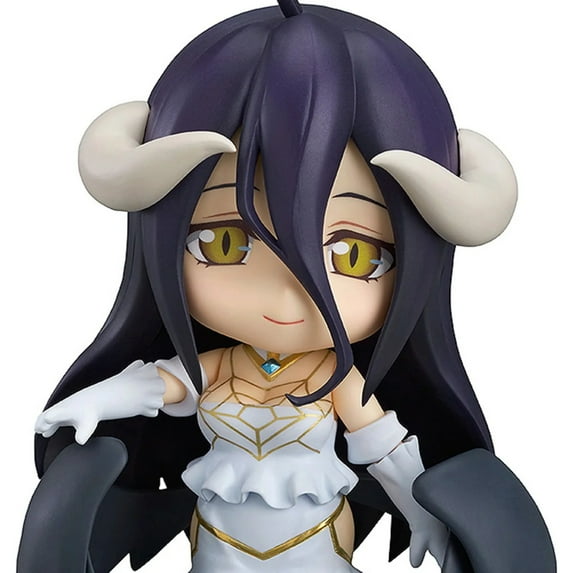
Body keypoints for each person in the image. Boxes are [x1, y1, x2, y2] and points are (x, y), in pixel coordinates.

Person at [22, 2, 554, 572]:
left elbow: (386, 451)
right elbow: (157, 385)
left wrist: (424, 515)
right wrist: (90, 401)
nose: (286, 294)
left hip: (316, 543)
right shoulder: (217, 369)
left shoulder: (339, 381)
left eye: (353, 255)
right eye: (224, 242)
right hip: (220, 541)